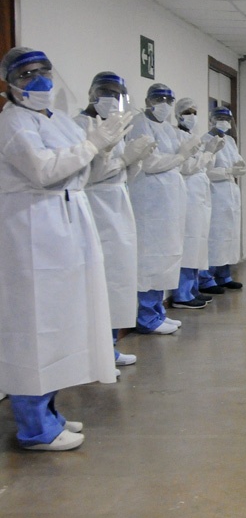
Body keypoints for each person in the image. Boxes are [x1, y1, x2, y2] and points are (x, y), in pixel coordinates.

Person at [0, 48, 128, 450]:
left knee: (58, 324)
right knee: (33, 328)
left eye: (43, 71)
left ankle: (49, 413)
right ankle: (33, 427)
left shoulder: (50, 118)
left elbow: (80, 169)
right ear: (10, 84)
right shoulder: (14, 122)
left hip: (64, 223)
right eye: (26, 75)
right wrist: (92, 146)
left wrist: (102, 147)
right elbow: (43, 170)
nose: (38, 81)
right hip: (32, 228)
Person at [75, 72, 155, 367]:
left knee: (118, 278)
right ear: (92, 93)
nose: (111, 98)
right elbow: (87, 173)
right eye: (106, 92)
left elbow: (121, 170)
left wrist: (134, 159)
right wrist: (124, 159)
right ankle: (95, 352)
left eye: (116, 93)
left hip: (118, 203)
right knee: (101, 279)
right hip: (97, 206)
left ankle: (108, 347)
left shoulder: (116, 126)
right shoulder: (80, 126)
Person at [127, 83, 199, 334]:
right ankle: (147, 316)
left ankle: (158, 311)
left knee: (166, 256)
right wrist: (180, 157)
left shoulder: (167, 128)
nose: (164, 105)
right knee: (150, 258)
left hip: (168, 201)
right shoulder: (140, 124)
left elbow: (178, 163)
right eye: (158, 99)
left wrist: (184, 156)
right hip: (150, 202)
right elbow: (149, 163)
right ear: (147, 100)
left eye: (169, 100)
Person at [171, 97, 222, 309]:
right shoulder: (175, 135)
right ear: (178, 114)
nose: (191, 116)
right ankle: (182, 294)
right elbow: (188, 166)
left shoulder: (191, 136)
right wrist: (208, 153)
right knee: (189, 242)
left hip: (199, 193)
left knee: (198, 242)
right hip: (188, 193)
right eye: (187, 112)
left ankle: (192, 289)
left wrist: (209, 153)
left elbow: (200, 164)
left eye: (194, 112)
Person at [198, 107, 246, 294]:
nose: (224, 122)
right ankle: (206, 278)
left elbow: (236, 162)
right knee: (214, 237)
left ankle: (224, 275)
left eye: (227, 119)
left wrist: (239, 168)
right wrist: (227, 172)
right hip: (215, 193)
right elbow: (205, 169)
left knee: (229, 236)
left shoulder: (230, 141)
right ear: (211, 120)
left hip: (230, 193)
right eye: (219, 118)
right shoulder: (205, 141)